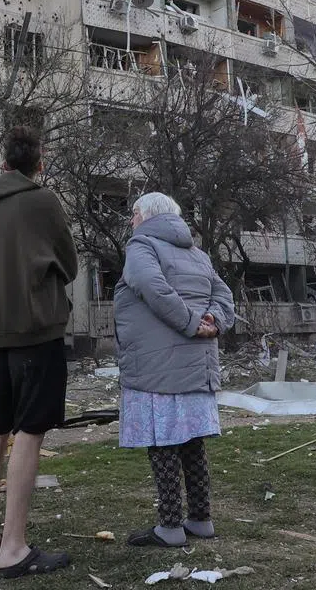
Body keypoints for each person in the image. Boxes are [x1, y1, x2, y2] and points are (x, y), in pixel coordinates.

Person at [0, 126, 78, 579]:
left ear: (3, 165)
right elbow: (68, 265)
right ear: (39, 163)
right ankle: (14, 546)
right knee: (30, 433)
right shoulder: (43, 201)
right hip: (35, 335)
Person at [114, 192, 235, 548]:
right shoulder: (197, 254)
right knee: (192, 442)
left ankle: (169, 527)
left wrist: (191, 322)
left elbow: (152, 287)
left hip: (157, 366)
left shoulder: (141, 247)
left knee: (162, 443)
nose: (132, 220)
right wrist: (213, 319)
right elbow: (223, 293)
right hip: (197, 364)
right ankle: (200, 519)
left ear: (145, 215)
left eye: (133, 213)